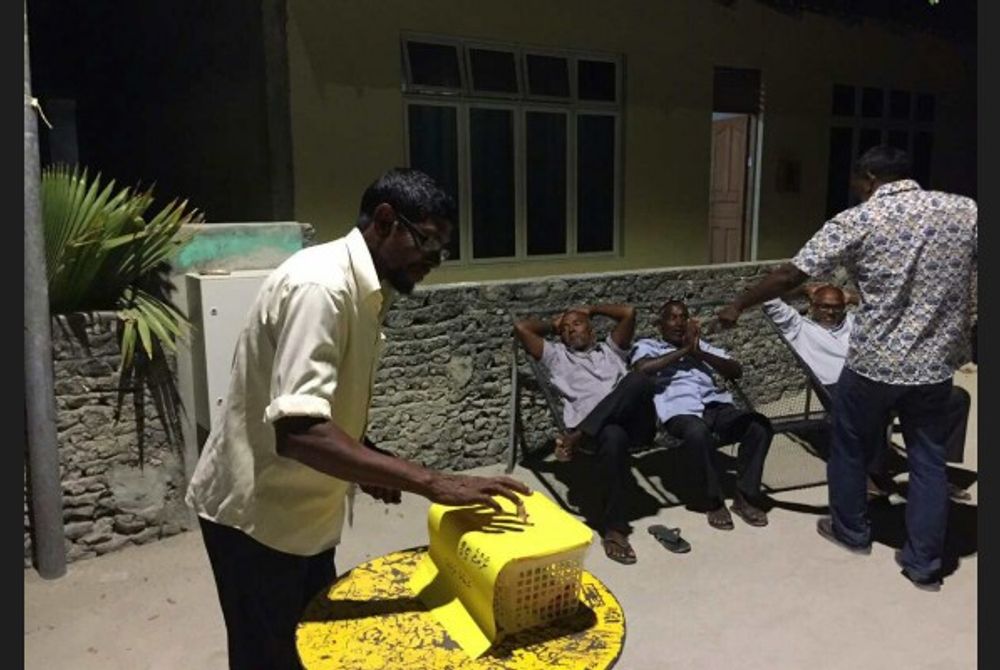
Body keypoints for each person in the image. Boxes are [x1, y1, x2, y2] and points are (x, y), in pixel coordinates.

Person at [185, 168, 530, 669]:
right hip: (258, 520)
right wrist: (432, 483)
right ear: (386, 220)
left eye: (442, 249)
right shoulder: (320, 287)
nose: (434, 260)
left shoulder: (366, 288)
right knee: (271, 656)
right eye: (428, 242)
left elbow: (324, 399)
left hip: (308, 517)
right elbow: (299, 432)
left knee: (319, 648)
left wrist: (370, 461)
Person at [718, 145, 977, 590]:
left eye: (857, 181)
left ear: (869, 178)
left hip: (875, 364)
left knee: (850, 445)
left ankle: (851, 531)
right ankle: (924, 566)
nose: (856, 189)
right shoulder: (964, 210)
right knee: (929, 461)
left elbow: (791, 276)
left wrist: (740, 302)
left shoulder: (858, 220)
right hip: (933, 367)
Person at [763, 284, 972, 502]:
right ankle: (873, 476)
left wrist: (851, 297)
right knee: (874, 410)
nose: (830, 312)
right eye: (824, 306)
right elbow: (767, 296)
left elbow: (892, 307)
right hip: (841, 388)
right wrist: (803, 289)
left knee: (955, 398)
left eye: (836, 307)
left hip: (881, 381)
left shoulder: (855, 321)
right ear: (812, 306)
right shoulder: (798, 326)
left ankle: (934, 471)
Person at [514, 304, 656, 565]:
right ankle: (615, 529)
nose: (570, 330)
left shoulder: (612, 349)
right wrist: (553, 324)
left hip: (635, 425)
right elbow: (522, 328)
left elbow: (628, 313)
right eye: (565, 329)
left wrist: (591, 308)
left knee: (638, 380)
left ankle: (578, 435)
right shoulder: (557, 356)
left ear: (591, 329)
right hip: (603, 435)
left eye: (576, 324)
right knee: (612, 436)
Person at [631, 300, 773, 530]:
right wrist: (684, 351)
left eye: (683, 317)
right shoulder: (648, 346)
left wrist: (699, 354)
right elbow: (642, 370)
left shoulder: (702, 347)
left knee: (759, 425)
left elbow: (736, 370)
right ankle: (714, 500)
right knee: (697, 432)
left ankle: (745, 497)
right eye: (673, 317)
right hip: (680, 411)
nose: (679, 323)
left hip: (716, 407)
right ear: (660, 324)